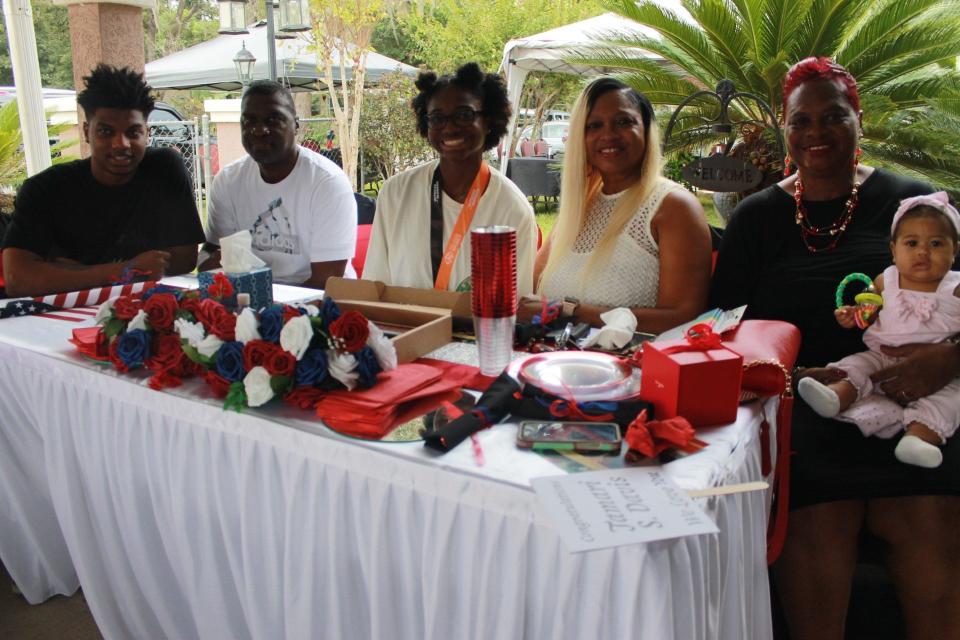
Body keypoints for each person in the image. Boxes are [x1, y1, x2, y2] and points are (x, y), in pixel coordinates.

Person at [710, 57, 960, 640]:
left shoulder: (916, 205)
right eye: (801, 121)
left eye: (833, 116)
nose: (816, 132)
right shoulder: (756, 218)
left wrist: (949, 358)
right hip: (811, 413)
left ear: (859, 121)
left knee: (928, 529)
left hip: (922, 414)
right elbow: (724, 327)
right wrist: (787, 376)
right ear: (785, 129)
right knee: (817, 533)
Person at [2, 64, 204, 297]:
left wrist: (68, 272)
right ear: (87, 131)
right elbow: (18, 279)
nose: (121, 144)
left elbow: (184, 258)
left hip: (141, 310)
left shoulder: (164, 168)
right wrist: (125, 270)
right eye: (106, 132)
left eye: (133, 132)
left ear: (146, 133)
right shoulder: (45, 189)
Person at [532, 77, 711, 330]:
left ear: (647, 129)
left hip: (635, 365)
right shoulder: (578, 208)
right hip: (551, 363)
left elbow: (682, 316)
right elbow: (531, 287)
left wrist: (569, 311)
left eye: (624, 122)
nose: (608, 135)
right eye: (593, 126)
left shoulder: (672, 207)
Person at [798, 193, 960, 469]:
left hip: (942, 370)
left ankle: (918, 439)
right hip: (881, 355)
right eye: (912, 243)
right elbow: (867, 310)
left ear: (954, 250)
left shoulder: (955, 287)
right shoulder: (886, 280)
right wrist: (852, 315)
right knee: (855, 367)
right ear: (894, 250)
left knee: (952, 399)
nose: (923, 252)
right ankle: (836, 396)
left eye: (936, 243)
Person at [364, 63, 537, 294]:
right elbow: (376, 287)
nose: (450, 128)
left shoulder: (512, 209)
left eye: (464, 115)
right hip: (403, 329)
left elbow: (516, 304)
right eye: (437, 118)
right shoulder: (396, 193)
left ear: (488, 122)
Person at [200, 80, 356, 289]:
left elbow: (326, 282)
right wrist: (208, 262)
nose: (259, 130)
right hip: (249, 301)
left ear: (296, 124)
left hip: (319, 306)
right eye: (249, 121)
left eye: (273, 120)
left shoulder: (327, 183)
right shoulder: (228, 181)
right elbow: (209, 257)